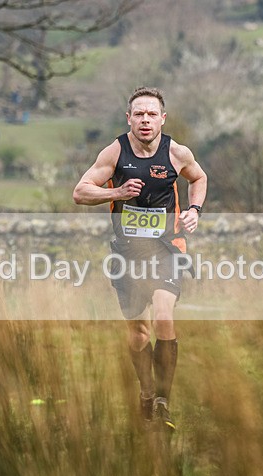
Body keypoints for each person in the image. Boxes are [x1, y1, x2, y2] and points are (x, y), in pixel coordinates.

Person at [73, 87, 207, 430]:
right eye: (139, 114)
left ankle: (163, 401)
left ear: (162, 119)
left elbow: (199, 177)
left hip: (167, 248)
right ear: (129, 118)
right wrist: (116, 192)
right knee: (139, 333)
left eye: (151, 114)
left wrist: (194, 210)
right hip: (128, 253)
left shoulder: (176, 153)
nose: (145, 120)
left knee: (163, 316)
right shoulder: (115, 152)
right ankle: (146, 392)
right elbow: (80, 192)